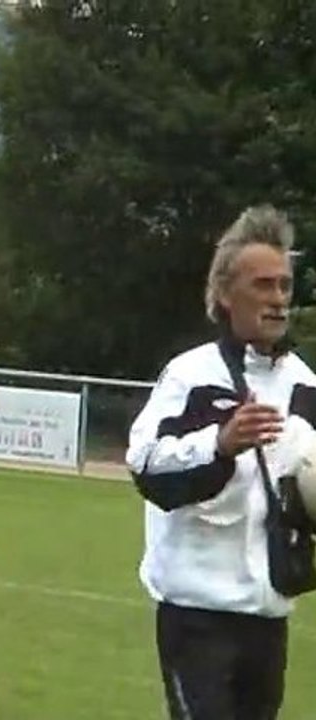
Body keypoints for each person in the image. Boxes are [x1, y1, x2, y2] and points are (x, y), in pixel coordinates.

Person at [127, 205, 316, 720]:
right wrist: (219, 443)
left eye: (284, 285)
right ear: (226, 294)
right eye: (262, 285)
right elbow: (144, 465)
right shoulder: (190, 375)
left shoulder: (305, 385)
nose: (277, 299)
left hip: (269, 614)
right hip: (197, 616)